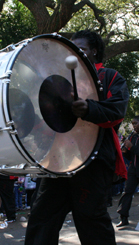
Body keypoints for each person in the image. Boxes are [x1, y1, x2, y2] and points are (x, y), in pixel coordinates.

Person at [25, 30, 129, 245]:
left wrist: (89, 108)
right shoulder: (58, 79)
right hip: (59, 159)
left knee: (90, 219)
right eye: (72, 50)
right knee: (41, 217)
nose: (75, 54)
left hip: (94, 160)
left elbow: (116, 111)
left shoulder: (110, 77)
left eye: (81, 49)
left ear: (94, 51)